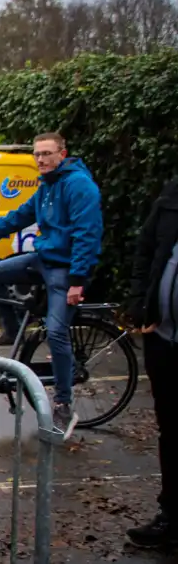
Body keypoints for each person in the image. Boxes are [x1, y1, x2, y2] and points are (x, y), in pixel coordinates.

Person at [0, 132, 103, 440]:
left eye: (47, 153)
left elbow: (88, 234)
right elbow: (15, 219)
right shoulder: (47, 186)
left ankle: (63, 404)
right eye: (37, 154)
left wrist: (77, 281)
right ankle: (11, 329)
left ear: (62, 154)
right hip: (44, 259)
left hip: (66, 269)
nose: (41, 159)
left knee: (56, 332)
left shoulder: (78, 185)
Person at [126, 177, 178, 548]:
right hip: (164, 339)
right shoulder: (172, 195)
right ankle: (171, 517)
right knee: (171, 430)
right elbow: (145, 251)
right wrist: (140, 303)